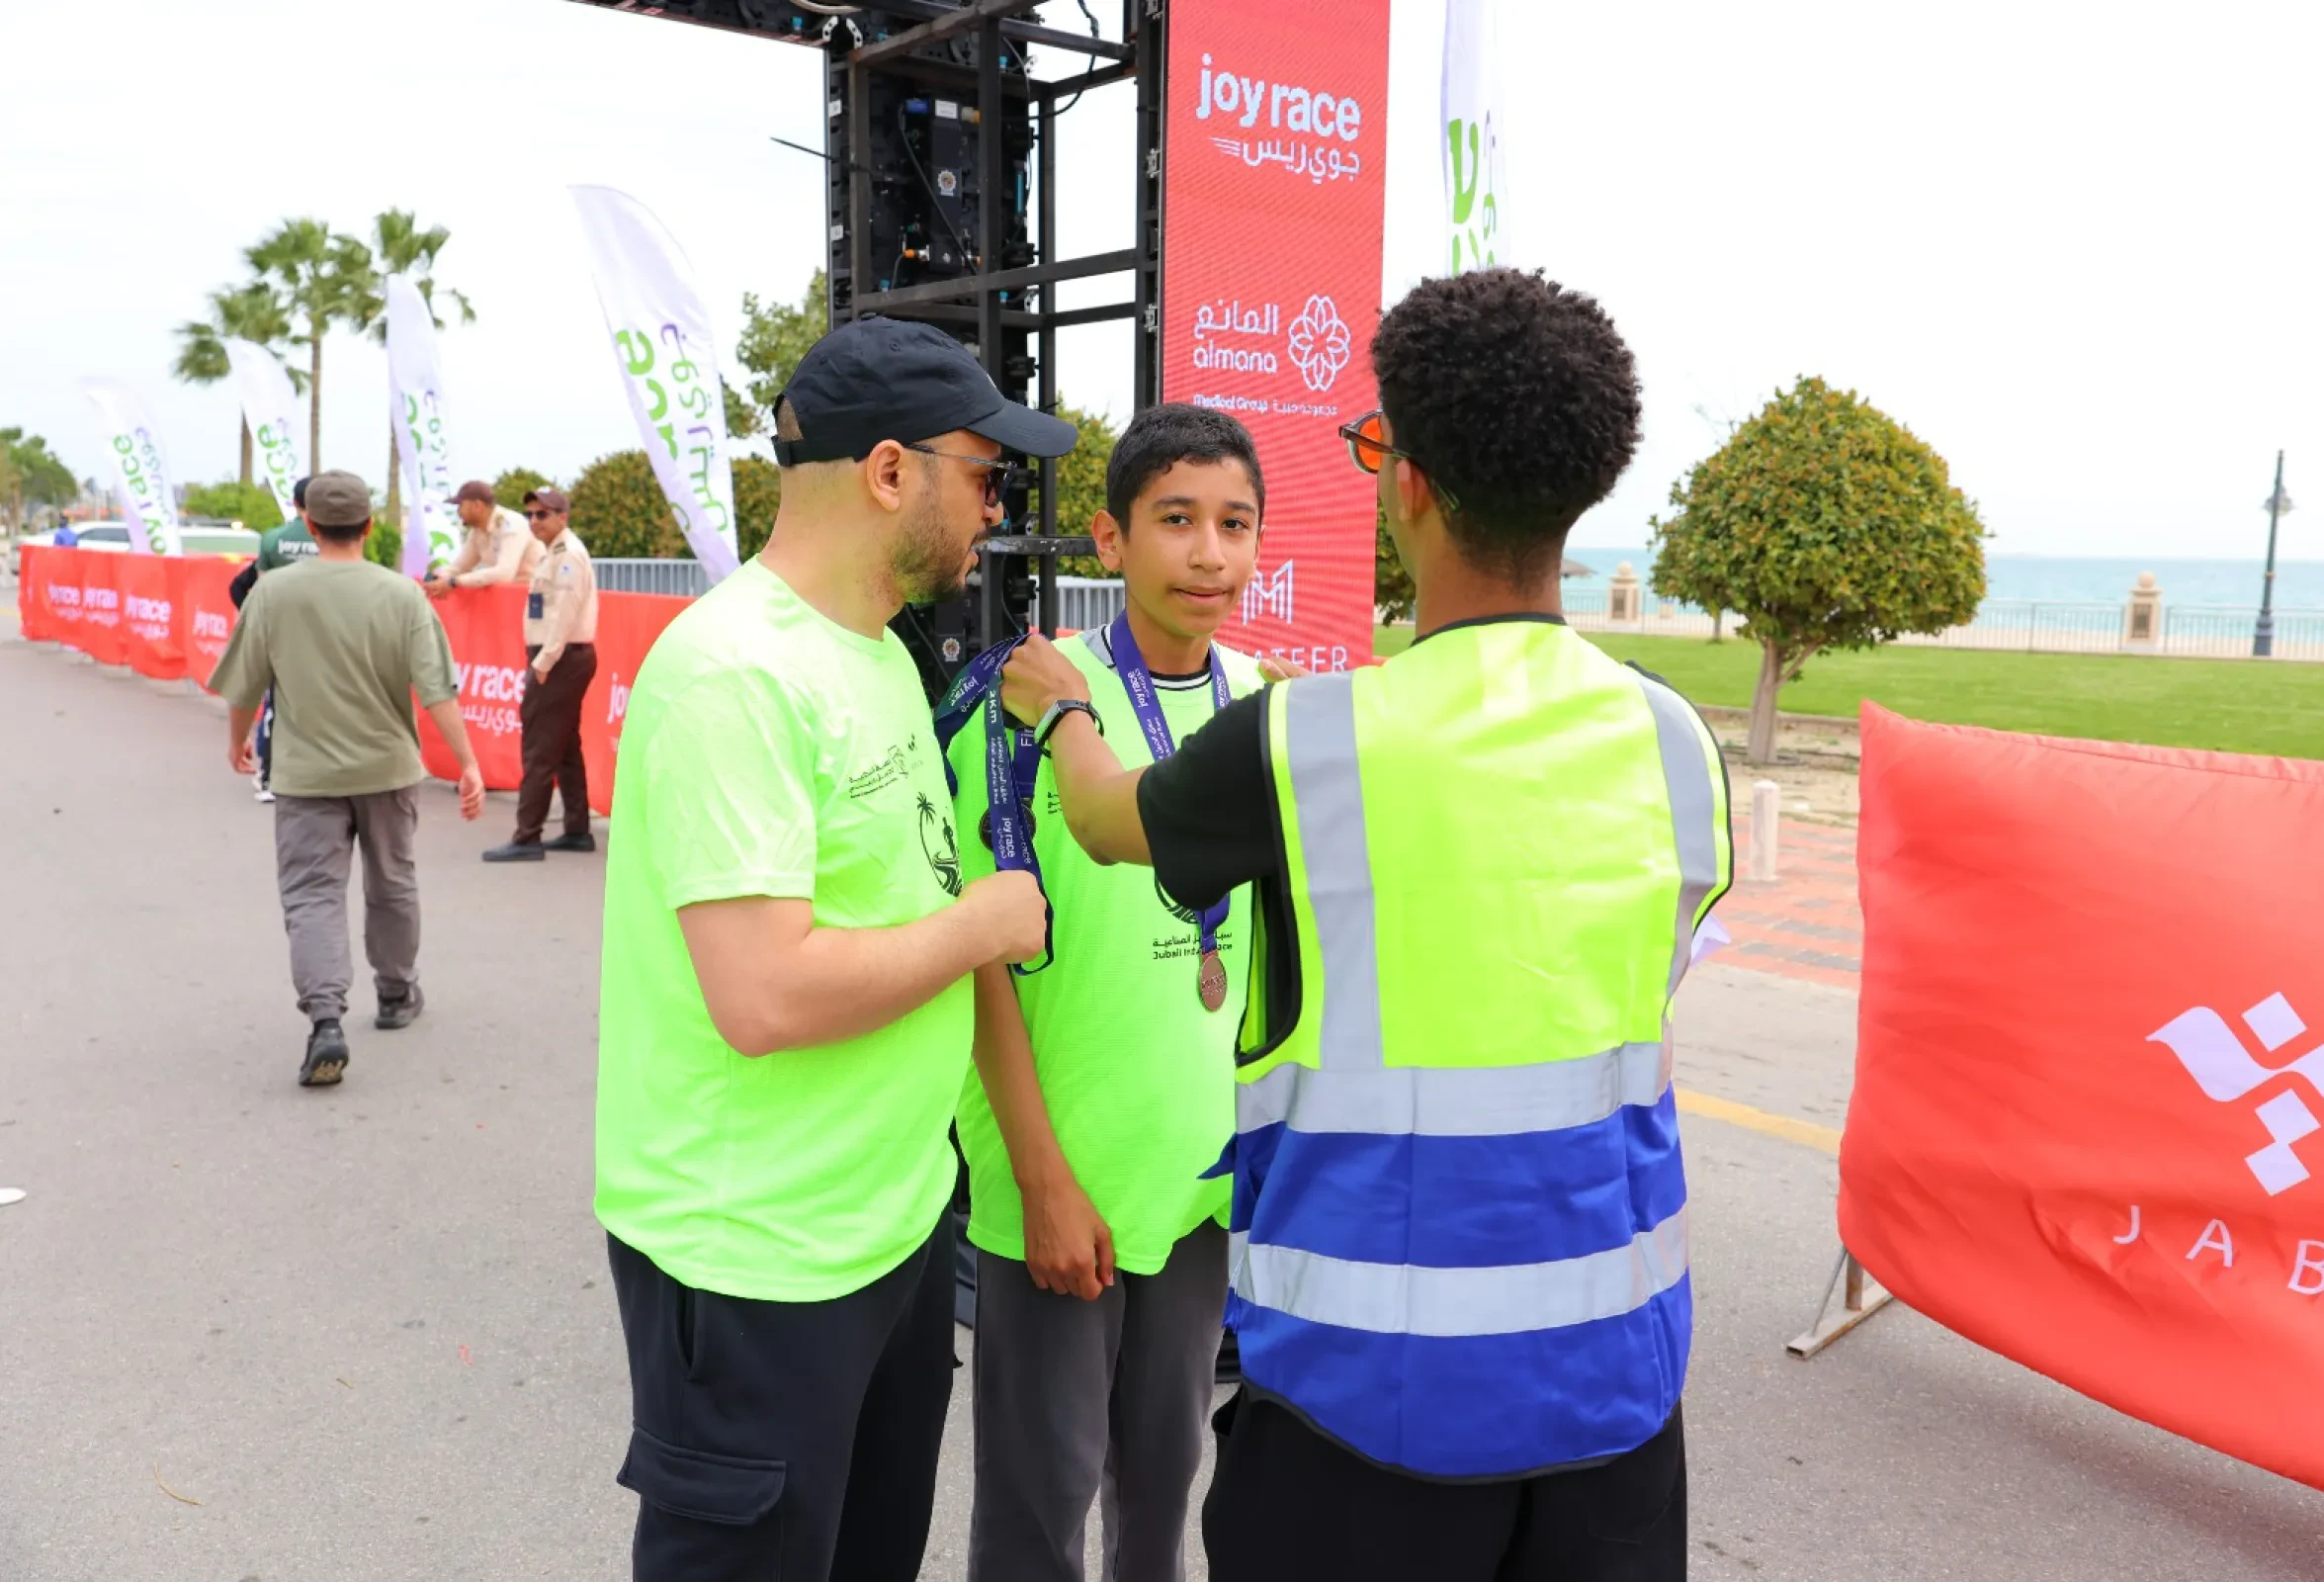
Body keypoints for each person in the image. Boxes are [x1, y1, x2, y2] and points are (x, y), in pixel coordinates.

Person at [996, 268, 1734, 1582]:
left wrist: (1058, 707)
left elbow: (1105, 820)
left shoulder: (1308, 738)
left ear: (1408, 486)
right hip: (1616, 1390)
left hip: (1370, 1406)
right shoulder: (1670, 737)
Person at [593, 315, 1073, 1580]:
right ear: (890, 471)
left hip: (889, 1231)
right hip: (756, 1260)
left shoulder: (874, 655)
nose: (995, 513)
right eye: (985, 475)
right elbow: (760, 994)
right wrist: (982, 921)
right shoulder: (734, 672)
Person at [950, 405, 1278, 1582]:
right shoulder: (1026, 700)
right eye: (1175, 519)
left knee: (1161, 1498)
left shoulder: (1262, 705)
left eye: (1234, 524)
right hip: (1060, 1180)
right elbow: (977, 955)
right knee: (1037, 1516)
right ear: (1109, 538)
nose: (1208, 554)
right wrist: (1039, 1177)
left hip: (1194, 1182)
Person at [209, 471, 489, 1088]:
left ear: (309, 525)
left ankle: (326, 1019)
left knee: (312, 894)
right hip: (388, 769)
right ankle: (395, 993)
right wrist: (468, 762)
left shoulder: (272, 594)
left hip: (305, 774)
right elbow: (436, 689)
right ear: (369, 525)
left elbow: (243, 685)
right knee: (393, 883)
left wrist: (236, 742)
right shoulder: (402, 596)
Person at [483, 487, 601, 863]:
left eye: (542, 514)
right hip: (558, 656)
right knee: (564, 746)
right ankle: (577, 830)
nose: (534, 521)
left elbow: (566, 612)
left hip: (560, 657)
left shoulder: (569, 555)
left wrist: (544, 662)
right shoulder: (552, 552)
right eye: (530, 514)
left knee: (539, 746)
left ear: (562, 517)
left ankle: (527, 835)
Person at [228, 475, 319, 803]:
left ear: (294, 503)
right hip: (325, 636)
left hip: (279, 635)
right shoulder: (334, 540)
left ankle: (268, 778)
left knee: (275, 706)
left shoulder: (272, 540)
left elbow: (260, 590)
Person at [423, 480, 540, 596]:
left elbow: (504, 573)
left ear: (477, 506)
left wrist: (454, 581)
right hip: (511, 598)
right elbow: (459, 567)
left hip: (535, 597)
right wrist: (438, 577)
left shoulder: (511, 523)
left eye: (461, 505)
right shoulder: (477, 531)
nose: (458, 511)